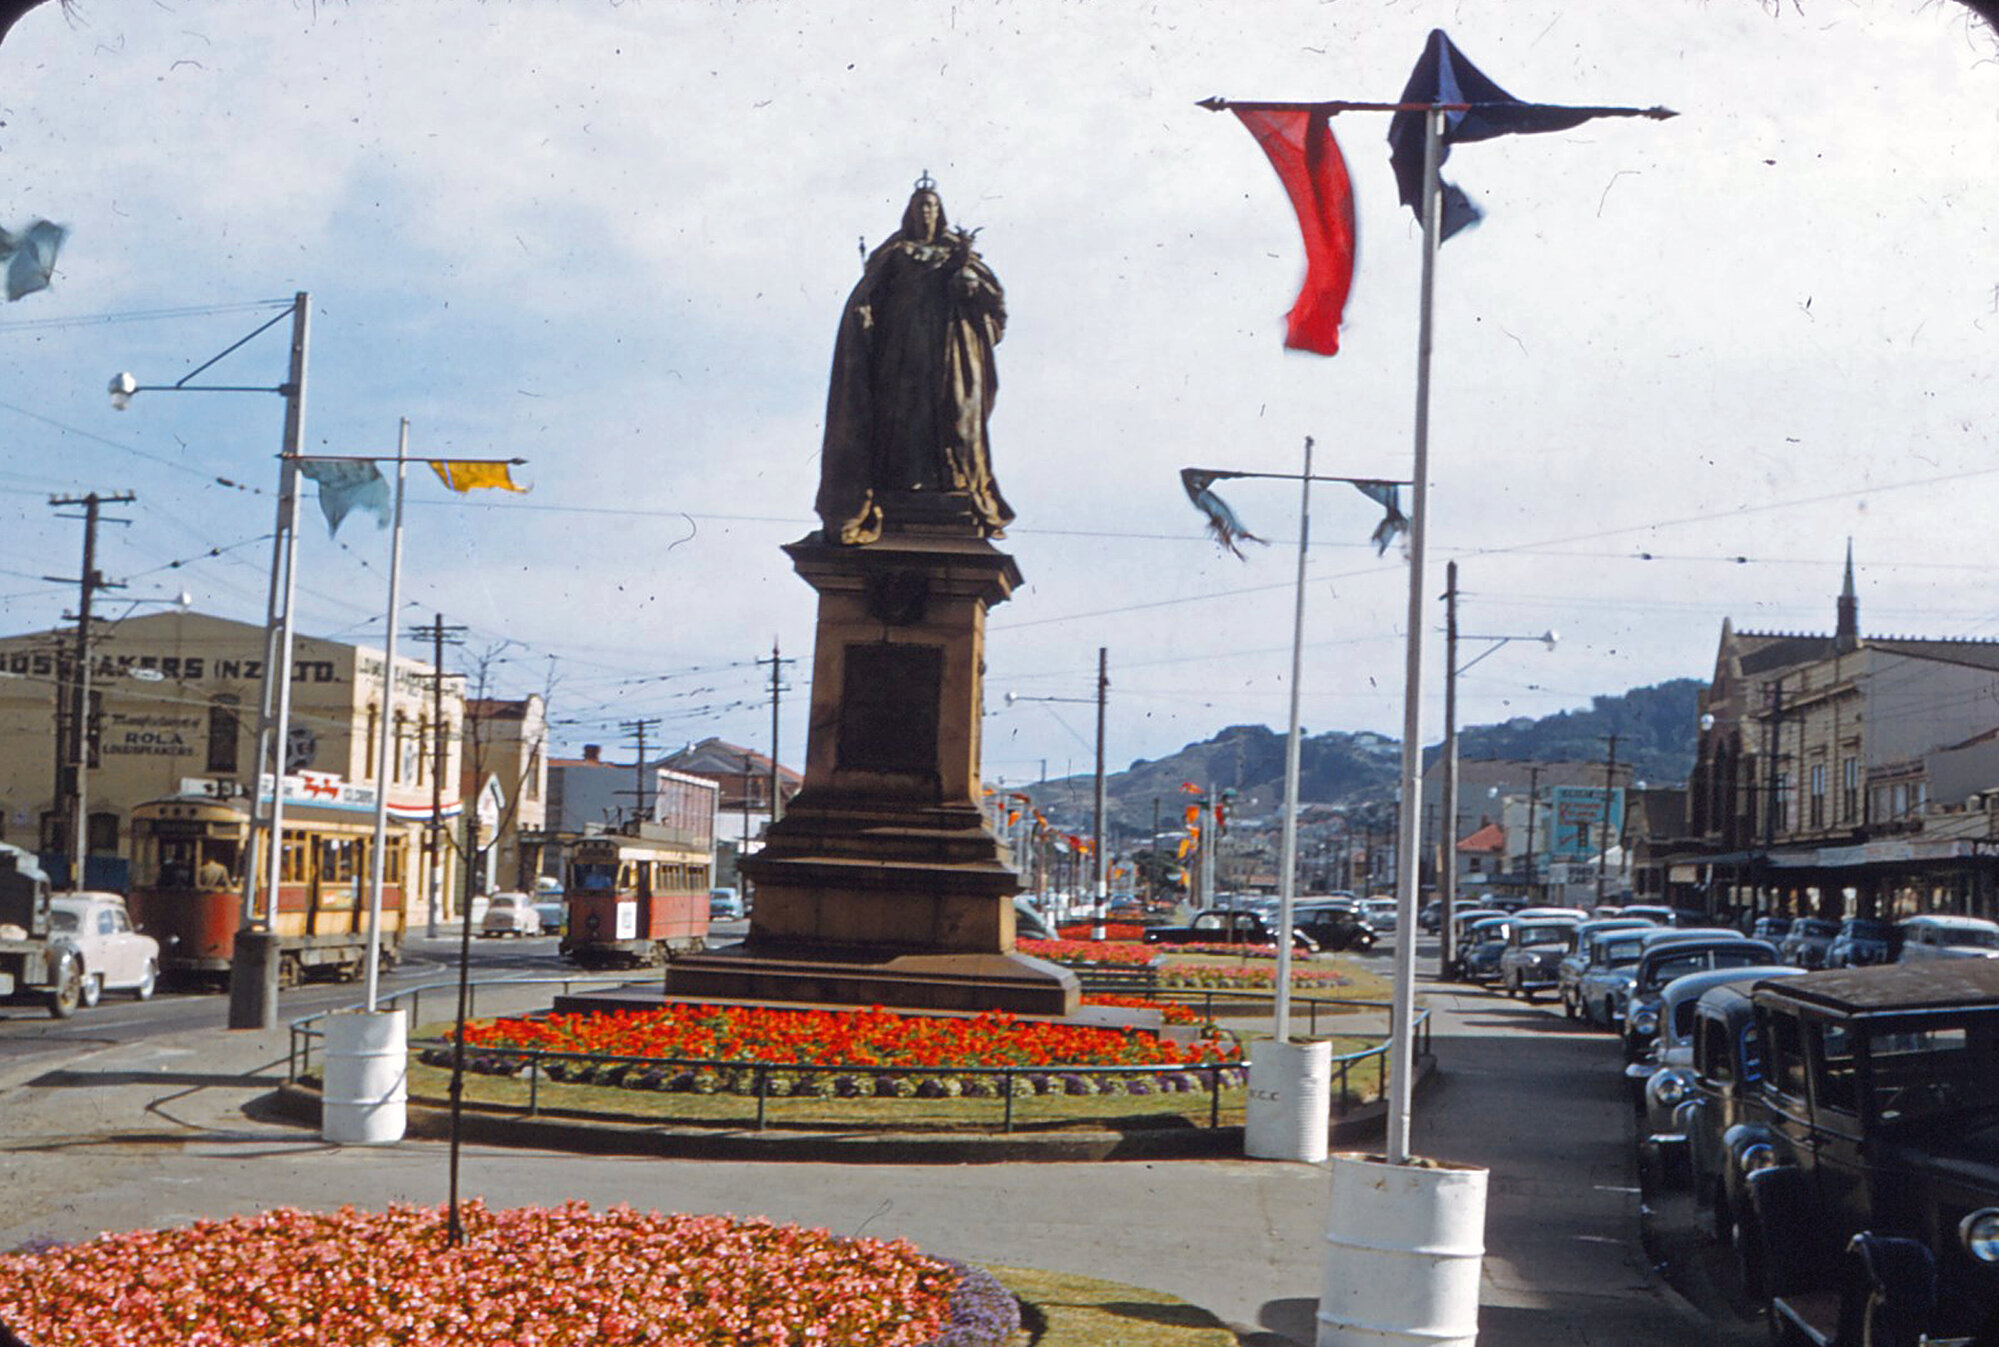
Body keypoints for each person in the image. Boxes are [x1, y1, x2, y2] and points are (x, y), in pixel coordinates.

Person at [816, 178, 1013, 545]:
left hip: (948, 351)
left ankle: (951, 481)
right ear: (910, 212)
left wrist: (969, 283)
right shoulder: (895, 252)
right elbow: (868, 295)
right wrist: (864, 316)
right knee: (904, 416)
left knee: (953, 414)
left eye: (931, 206)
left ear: (940, 213)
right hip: (902, 349)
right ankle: (903, 481)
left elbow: (993, 302)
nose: (926, 212)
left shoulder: (959, 253)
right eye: (920, 206)